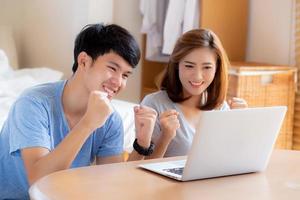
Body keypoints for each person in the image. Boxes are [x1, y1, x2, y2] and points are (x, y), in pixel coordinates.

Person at [0, 23, 157, 199]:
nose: (118, 82)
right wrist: (88, 124)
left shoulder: (111, 119)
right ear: (84, 61)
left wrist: (142, 144)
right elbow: (39, 180)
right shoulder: (32, 103)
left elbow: (113, 183)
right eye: (112, 68)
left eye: (125, 75)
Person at [141, 28, 247, 158]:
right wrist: (165, 137)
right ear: (176, 65)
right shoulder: (154, 104)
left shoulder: (220, 108)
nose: (197, 76)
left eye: (207, 67)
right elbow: (143, 169)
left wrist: (242, 123)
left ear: (217, 69)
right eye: (189, 66)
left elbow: (232, 159)